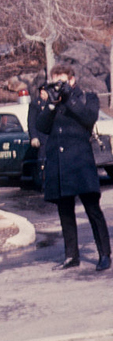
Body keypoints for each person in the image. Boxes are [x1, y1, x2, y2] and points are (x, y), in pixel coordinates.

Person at [36, 64, 111, 272]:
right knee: (65, 213)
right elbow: (41, 126)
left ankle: (104, 254)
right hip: (60, 166)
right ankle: (71, 256)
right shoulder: (53, 102)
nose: (58, 87)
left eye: (61, 82)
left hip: (80, 163)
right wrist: (51, 104)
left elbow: (89, 118)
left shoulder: (88, 98)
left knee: (93, 210)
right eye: (54, 82)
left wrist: (70, 98)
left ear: (71, 80)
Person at [27, 84, 49, 190]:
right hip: (42, 138)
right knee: (42, 162)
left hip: (52, 138)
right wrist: (34, 137)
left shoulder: (53, 103)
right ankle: (44, 184)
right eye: (41, 91)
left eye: (44, 91)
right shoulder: (35, 104)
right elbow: (31, 122)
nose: (42, 93)